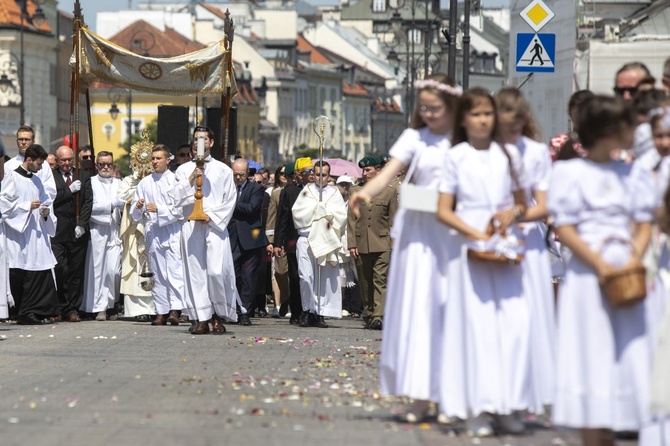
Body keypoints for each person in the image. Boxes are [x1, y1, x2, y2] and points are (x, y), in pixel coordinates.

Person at [349, 74, 461, 423]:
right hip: (420, 233)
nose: (428, 114)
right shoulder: (415, 137)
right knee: (418, 311)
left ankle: (451, 396)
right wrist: (366, 191)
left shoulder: (465, 140)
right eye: (423, 108)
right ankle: (418, 395)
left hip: (453, 233)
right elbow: (388, 172)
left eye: (435, 108)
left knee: (451, 313)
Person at [547, 95, 657, 445]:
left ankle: (621, 419)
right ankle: (593, 433)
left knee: (627, 349)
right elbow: (565, 228)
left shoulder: (633, 172)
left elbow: (643, 223)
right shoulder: (569, 172)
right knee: (589, 350)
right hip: (586, 272)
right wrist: (599, 264)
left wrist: (632, 259)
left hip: (625, 269)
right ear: (609, 131)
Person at [435, 87, 530, 436]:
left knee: (515, 325)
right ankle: (477, 408)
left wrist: (514, 213)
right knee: (476, 330)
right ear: (464, 119)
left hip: (504, 245)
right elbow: (444, 209)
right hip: (469, 247)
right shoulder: (456, 156)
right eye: (475, 114)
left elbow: (523, 202)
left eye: (488, 114)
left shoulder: (508, 154)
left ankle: (508, 403)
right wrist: (474, 232)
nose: (483, 120)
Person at [496, 88, 555, 415]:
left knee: (526, 319)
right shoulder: (482, 151)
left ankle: (523, 396)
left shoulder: (535, 152)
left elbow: (543, 206)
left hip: (525, 241)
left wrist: (516, 214)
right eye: (506, 128)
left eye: (516, 127)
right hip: (487, 238)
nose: (511, 135)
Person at [175, 126, 239, 335]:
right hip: (192, 226)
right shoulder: (183, 170)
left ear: (211, 142)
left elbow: (230, 199)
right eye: (195, 139)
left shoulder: (223, 170)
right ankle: (202, 317)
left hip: (214, 226)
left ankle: (218, 314)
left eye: (203, 139)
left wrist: (213, 215)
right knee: (196, 273)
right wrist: (192, 177)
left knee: (215, 271)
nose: (198, 143)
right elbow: (175, 198)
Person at [0, 144, 59, 324]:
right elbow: (4, 204)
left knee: (41, 267)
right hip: (19, 235)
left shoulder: (36, 180)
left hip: (36, 232)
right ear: (29, 160)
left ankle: (38, 311)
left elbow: (45, 201)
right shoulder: (12, 177)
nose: (41, 167)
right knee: (23, 271)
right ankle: (24, 312)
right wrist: (26, 207)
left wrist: (45, 212)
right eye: (39, 164)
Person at [131, 144, 187, 326]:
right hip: (153, 231)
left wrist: (159, 209)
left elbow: (180, 210)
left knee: (174, 271)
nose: (154, 162)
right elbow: (134, 211)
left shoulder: (175, 180)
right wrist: (138, 207)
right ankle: (161, 310)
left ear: (167, 160)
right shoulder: (145, 183)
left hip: (171, 231)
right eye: (153, 159)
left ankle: (175, 309)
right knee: (158, 272)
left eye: (158, 158)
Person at [292, 160, 347, 328]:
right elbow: (297, 213)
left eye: (324, 175)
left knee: (324, 278)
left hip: (325, 240)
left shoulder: (334, 192)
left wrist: (326, 213)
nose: (320, 178)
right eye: (317, 174)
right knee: (306, 276)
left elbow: (341, 216)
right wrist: (316, 210)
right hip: (307, 238)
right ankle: (308, 310)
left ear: (328, 175)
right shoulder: (306, 191)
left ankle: (320, 312)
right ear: (313, 174)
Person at [347, 156, 397, 330]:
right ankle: (368, 312)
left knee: (380, 279)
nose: (365, 173)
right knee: (365, 280)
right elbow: (351, 220)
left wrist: (394, 244)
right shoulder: (355, 191)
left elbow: (393, 220)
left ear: (378, 170)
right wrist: (351, 244)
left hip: (383, 242)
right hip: (361, 243)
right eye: (363, 170)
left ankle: (378, 315)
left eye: (368, 170)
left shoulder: (389, 192)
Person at [80, 151, 124, 321]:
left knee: (113, 270)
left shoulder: (119, 183)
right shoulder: (90, 182)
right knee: (97, 269)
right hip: (97, 229)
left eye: (109, 164)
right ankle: (99, 307)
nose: (106, 167)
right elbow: (90, 207)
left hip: (114, 229)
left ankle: (111, 303)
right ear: (97, 165)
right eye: (102, 164)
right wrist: (112, 204)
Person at [51, 145, 93, 322]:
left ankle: (73, 308)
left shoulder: (82, 175)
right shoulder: (51, 177)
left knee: (76, 271)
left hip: (77, 232)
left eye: (69, 160)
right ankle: (60, 305)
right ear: (58, 160)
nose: (67, 163)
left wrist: (82, 224)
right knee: (60, 268)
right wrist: (69, 192)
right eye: (63, 160)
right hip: (58, 232)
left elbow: (88, 201)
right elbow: (51, 199)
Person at [228, 158, 269, 326]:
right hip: (232, 237)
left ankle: (245, 310)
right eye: (235, 174)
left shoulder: (256, 188)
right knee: (233, 275)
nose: (238, 178)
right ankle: (234, 309)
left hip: (251, 238)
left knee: (249, 277)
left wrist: (231, 205)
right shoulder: (228, 188)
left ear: (248, 174)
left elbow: (252, 208)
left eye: (241, 175)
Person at [118, 159, 156, 321]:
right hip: (134, 229)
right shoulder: (128, 181)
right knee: (134, 267)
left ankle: (155, 308)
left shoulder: (157, 180)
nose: (144, 167)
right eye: (141, 164)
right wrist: (135, 190)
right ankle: (136, 309)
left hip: (153, 227)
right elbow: (121, 198)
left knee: (154, 265)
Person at [274, 160, 305, 325]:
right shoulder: (289, 192)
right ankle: (296, 311)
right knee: (294, 277)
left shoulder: (320, 192)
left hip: (313, 241)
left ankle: (309, 311)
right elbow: (282, 219)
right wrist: (278, 243)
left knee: (308, 277)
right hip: (293, 241)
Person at [5, 126, 56, 204]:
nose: (23, 142)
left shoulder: (44, 165)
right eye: (20, 139)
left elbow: (50, 191)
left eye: (27, 139)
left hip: (39, 209)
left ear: (33, 141)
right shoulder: (8, 166)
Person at [267, 164, 290, 318]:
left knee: (295, 274)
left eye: (286, 173)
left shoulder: (302, 192)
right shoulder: (275, 194)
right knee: (280, 272)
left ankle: (293, 304)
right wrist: (270, 240)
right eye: (280, 173)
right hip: (280, 239)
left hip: (295, 237)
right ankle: (285, 299)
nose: (283, 175)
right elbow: (271, 218)